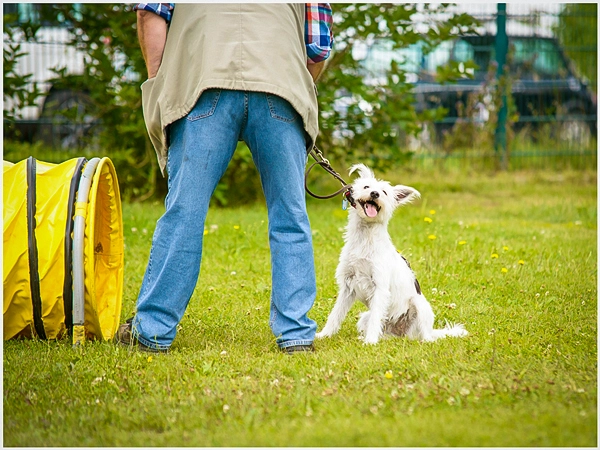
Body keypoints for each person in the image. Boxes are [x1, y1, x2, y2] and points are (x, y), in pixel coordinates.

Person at [116, 3, 334, 353]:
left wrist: (160, 79)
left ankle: (152, 331)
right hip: (280, 87)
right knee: (290, 215)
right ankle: (295, 335)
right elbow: (317, 46)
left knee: (185, 210)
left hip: (203, 84)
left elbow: (149, 14)